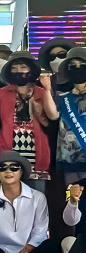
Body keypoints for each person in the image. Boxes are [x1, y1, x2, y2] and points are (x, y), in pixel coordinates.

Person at [0, 52, 51, 186]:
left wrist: (40, 115)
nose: (18, 71)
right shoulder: (1, 93)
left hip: (37, 156)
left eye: (23, 67)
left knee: (37, 197)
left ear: (31, 70)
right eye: (14, 68)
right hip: (8, 157)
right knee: (9, 195)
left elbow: (51, 125)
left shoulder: (42, 92)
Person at [40, 47, 86, 181]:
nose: (77, 69)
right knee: (71, 193)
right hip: (69, 159)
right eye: (73, 66)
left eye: (82, 65)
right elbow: (53, 115)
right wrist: (47, 90)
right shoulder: (64, 97)